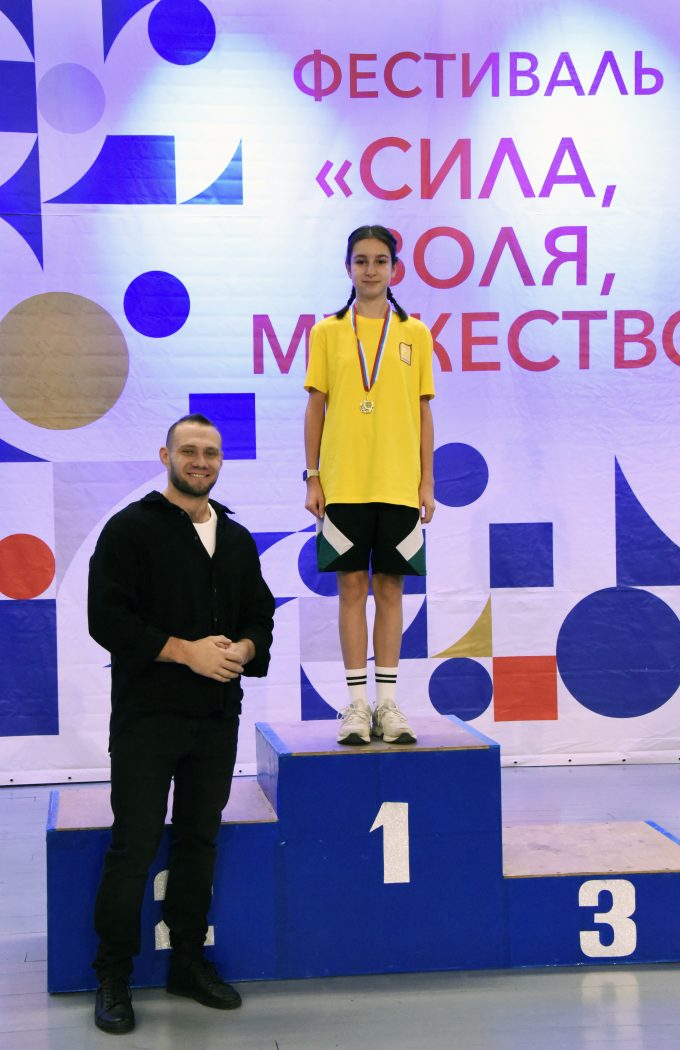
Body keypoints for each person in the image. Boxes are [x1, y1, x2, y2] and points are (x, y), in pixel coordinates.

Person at [87, 413, 274, 1035]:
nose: (201, 461)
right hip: (146, 718)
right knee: (134, 845)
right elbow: (106, 619)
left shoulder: (237, 538)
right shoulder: (129, 529)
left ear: (221, 461)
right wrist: (184, 651)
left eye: (211, 452)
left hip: (216, 718)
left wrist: (243, 649)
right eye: (189, 450)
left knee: (198, 841)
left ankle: (187, 964)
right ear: (165, 455)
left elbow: (260, 615)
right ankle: (113, 974)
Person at [303, 225, 435, 747]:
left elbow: (423, 412)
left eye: (381, 261)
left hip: (399, 485)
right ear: (348, 267)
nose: (371, 269)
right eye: (361, 260)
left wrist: (427, 481)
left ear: (394, 269)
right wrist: (314, 475)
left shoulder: (415, 333)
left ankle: (388, 703)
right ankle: (357, 705)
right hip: (343, 485)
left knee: (391, 589)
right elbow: (316, 407)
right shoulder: (326, 332)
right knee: (352, 589)